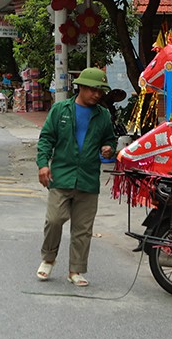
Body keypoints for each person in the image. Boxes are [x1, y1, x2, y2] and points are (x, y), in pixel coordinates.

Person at [35, 67, 116, 287]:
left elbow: (110, 139)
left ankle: (76, 270)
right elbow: (46, 139)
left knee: (83, 228)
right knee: (54, 219)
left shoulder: (103, 115)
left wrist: (109, 148)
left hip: (88, 179)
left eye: (100, 91)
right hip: (61, 175)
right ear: (80, 87)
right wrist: (43, 165)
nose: (97, 94)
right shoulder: (61, 110)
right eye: (92, 89)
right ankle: (48, 258)